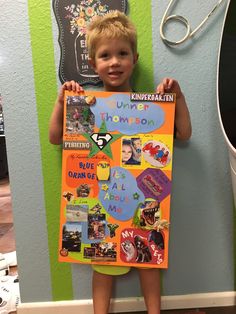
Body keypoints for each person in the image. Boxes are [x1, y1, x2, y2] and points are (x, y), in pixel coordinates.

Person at [49, 10, 192, 314]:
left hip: (141, 202)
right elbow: (54, 138)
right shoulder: (85, 105)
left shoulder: (151, 106)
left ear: (134, 58)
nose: (114, 62)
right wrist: (62, 102)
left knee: (149, 260)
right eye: (105, 55)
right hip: (103, 201)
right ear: (93, 63)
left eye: (122, 54)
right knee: (102, 265)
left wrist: (176, 99)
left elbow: (184, 133)